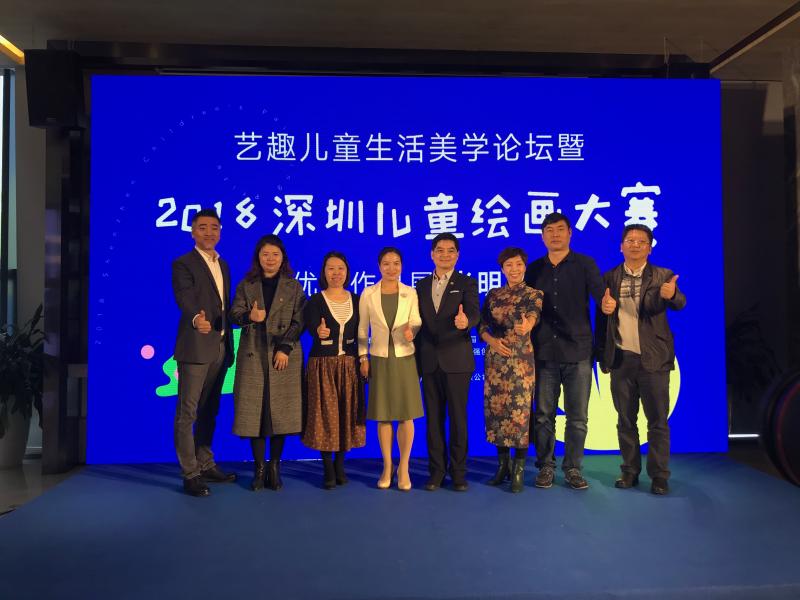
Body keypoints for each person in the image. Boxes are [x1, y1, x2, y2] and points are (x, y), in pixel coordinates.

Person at [595, 224, 686, 495]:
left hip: (654, 359)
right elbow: (601, 321)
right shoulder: (609, 277)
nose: (635, 245)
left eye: (641, 241)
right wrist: (605, 310)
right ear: (620, 246)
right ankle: (629, 471)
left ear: (649, 247)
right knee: (625, 420)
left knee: (657, 421)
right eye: (630, 240)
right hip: (621, 358)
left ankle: (659, 476)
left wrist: (672, 295)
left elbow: (680, 302)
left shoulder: (662, 275)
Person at [525, 212, 605, 490]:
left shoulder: (585, 264)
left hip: (578, 351)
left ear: (570, 233)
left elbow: (601, 296)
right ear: (542, 236)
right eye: (549, 230)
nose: (555, 234)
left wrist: (607, 304)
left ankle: (573, 468)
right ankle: (546, 467)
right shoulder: (534, 269)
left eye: (560, 229)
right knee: (543, 415)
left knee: (578, 417)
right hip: (544, 351)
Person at [230, 234, 305, 491]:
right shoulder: (246, 285)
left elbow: (300, 321)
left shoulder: (293, 287)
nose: (270, 259)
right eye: (265, 254)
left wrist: (284, 347)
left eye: (275, 254)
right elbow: (234, 314)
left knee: (280, 413)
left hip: (283, 355)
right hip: (254, 355)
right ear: (258, 258)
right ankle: (259, 468)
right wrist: (249, 317)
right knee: (256, 415)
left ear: (283, 258)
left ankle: (275, 466)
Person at [172, 208, 237, 497]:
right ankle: (190, 474)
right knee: (188, 412)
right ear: (193, 232)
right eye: (202, 227)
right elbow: (185, 297)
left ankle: (206, 462)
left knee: (210, 409)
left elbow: (224, 304)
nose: (209, 232)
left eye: (214, 227)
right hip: (196, 346)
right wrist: (196, 318)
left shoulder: (224, 264)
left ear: (220, 232)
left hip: (221, 346)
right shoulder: (183, 263)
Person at [416, 233, 480, 491]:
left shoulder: (466, 283)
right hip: (429, 361)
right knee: (433, 420)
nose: (445, 254)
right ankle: (436, 472)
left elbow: (474, 312)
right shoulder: (420, 286)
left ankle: (459, 472)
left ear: (457, 255)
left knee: (458, 419)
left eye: (450, 250)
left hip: (457, 361)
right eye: (440, 250)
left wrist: (467, 322)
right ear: (432, 254)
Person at [358, 247, 423, 491]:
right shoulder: (368, 293)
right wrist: (363, 357)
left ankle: (404, 467)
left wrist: (412, 331)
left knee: (406, 414)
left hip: (404, 357)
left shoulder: (410, 292)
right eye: (386, 263)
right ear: (379, 266)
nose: (391, 268)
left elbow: (416, 320)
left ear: (402, 266)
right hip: (379, 358)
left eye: (396, 263)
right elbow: (362, 329)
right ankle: (387, 466)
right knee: (383, 414)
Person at [479, 247, 543, 493]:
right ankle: (502, 466)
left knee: (519, 414)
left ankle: (518, 470)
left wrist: (527, 325)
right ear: (502, 269)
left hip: (520, 362)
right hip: (495, 361)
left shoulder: (534, 294)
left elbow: (533, 315)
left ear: (524, 266)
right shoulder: (493, 294)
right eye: (509, 265)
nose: (514, 269)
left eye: (518, 264)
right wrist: (492, 341)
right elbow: (482, 325)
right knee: (497, 412)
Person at [302, 251, 366, 489]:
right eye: (331, 268)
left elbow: (362, 333)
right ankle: (328, 468)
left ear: (347, 272)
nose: (336, 273)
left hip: (349, 365)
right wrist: (318, 332)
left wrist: (363, 359)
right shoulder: (314, 301)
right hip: (323, 365)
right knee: (325, 417)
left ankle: (340, 465)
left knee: (346, 415)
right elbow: (311, 327)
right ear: (324, 272)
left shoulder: (358, 300)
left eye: (340, 268)